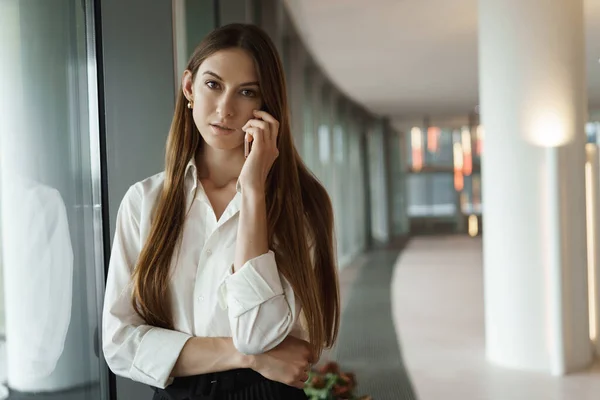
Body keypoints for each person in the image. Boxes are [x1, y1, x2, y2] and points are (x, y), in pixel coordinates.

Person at [102, 23, 340, 400]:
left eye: (246, 92)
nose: (225, 109)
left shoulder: (301, 207)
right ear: (189, 88)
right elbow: (119, 343)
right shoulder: (145, 201)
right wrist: (248, 358)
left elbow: (256, 333)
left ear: (265, 107)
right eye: (213, 85)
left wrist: (253, 193)